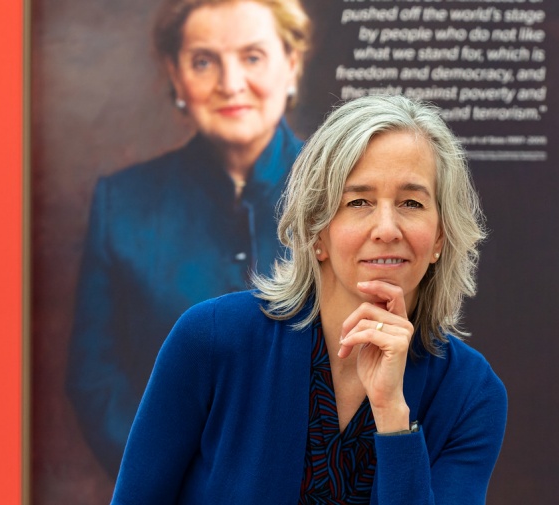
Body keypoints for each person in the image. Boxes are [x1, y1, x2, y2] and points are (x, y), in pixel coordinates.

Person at [111, 95, 507, 504]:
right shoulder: (212, 340)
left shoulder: (471, 394)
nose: (387, 228)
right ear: (317, 231)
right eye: (359, 202)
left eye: (411, 203)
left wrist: (392, 414)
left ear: (440, 236)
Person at [66, 0, 312, 476]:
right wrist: (175, 474)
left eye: (253, 57)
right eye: (204, 61)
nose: (231, 83)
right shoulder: (122, 203)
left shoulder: (352, 194)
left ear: (292, 65)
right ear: (175, 76)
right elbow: (94, 378)